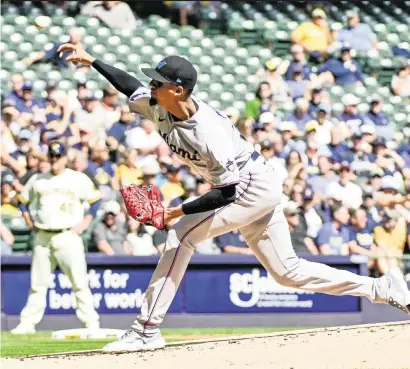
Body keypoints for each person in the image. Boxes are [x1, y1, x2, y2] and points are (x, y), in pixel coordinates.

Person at [58, 42, 410, 353]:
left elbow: (227, 192)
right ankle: (381, 287)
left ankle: (146, 330)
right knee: (286, 273)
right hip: (252, 184)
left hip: (250, 186)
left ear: (178, 90)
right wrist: (93, 62)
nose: (151, 85)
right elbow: (129, 86)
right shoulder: (158, 105)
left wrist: (174, 212)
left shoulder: (208, 132)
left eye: (158, 82)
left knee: (180, 236)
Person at [11, 142, 101, 334]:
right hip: (43, 235)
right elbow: (22, 202)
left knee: (79, 281)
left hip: (67, 234)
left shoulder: (77, 179)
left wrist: (85, 223)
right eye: (51, 155)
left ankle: (91, 323)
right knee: (38, 283)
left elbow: (95, 200)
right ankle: (27, 323)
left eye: (57, 156)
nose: (53, 159)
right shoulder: (38, 179)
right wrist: (30, 222)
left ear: (64, 158)